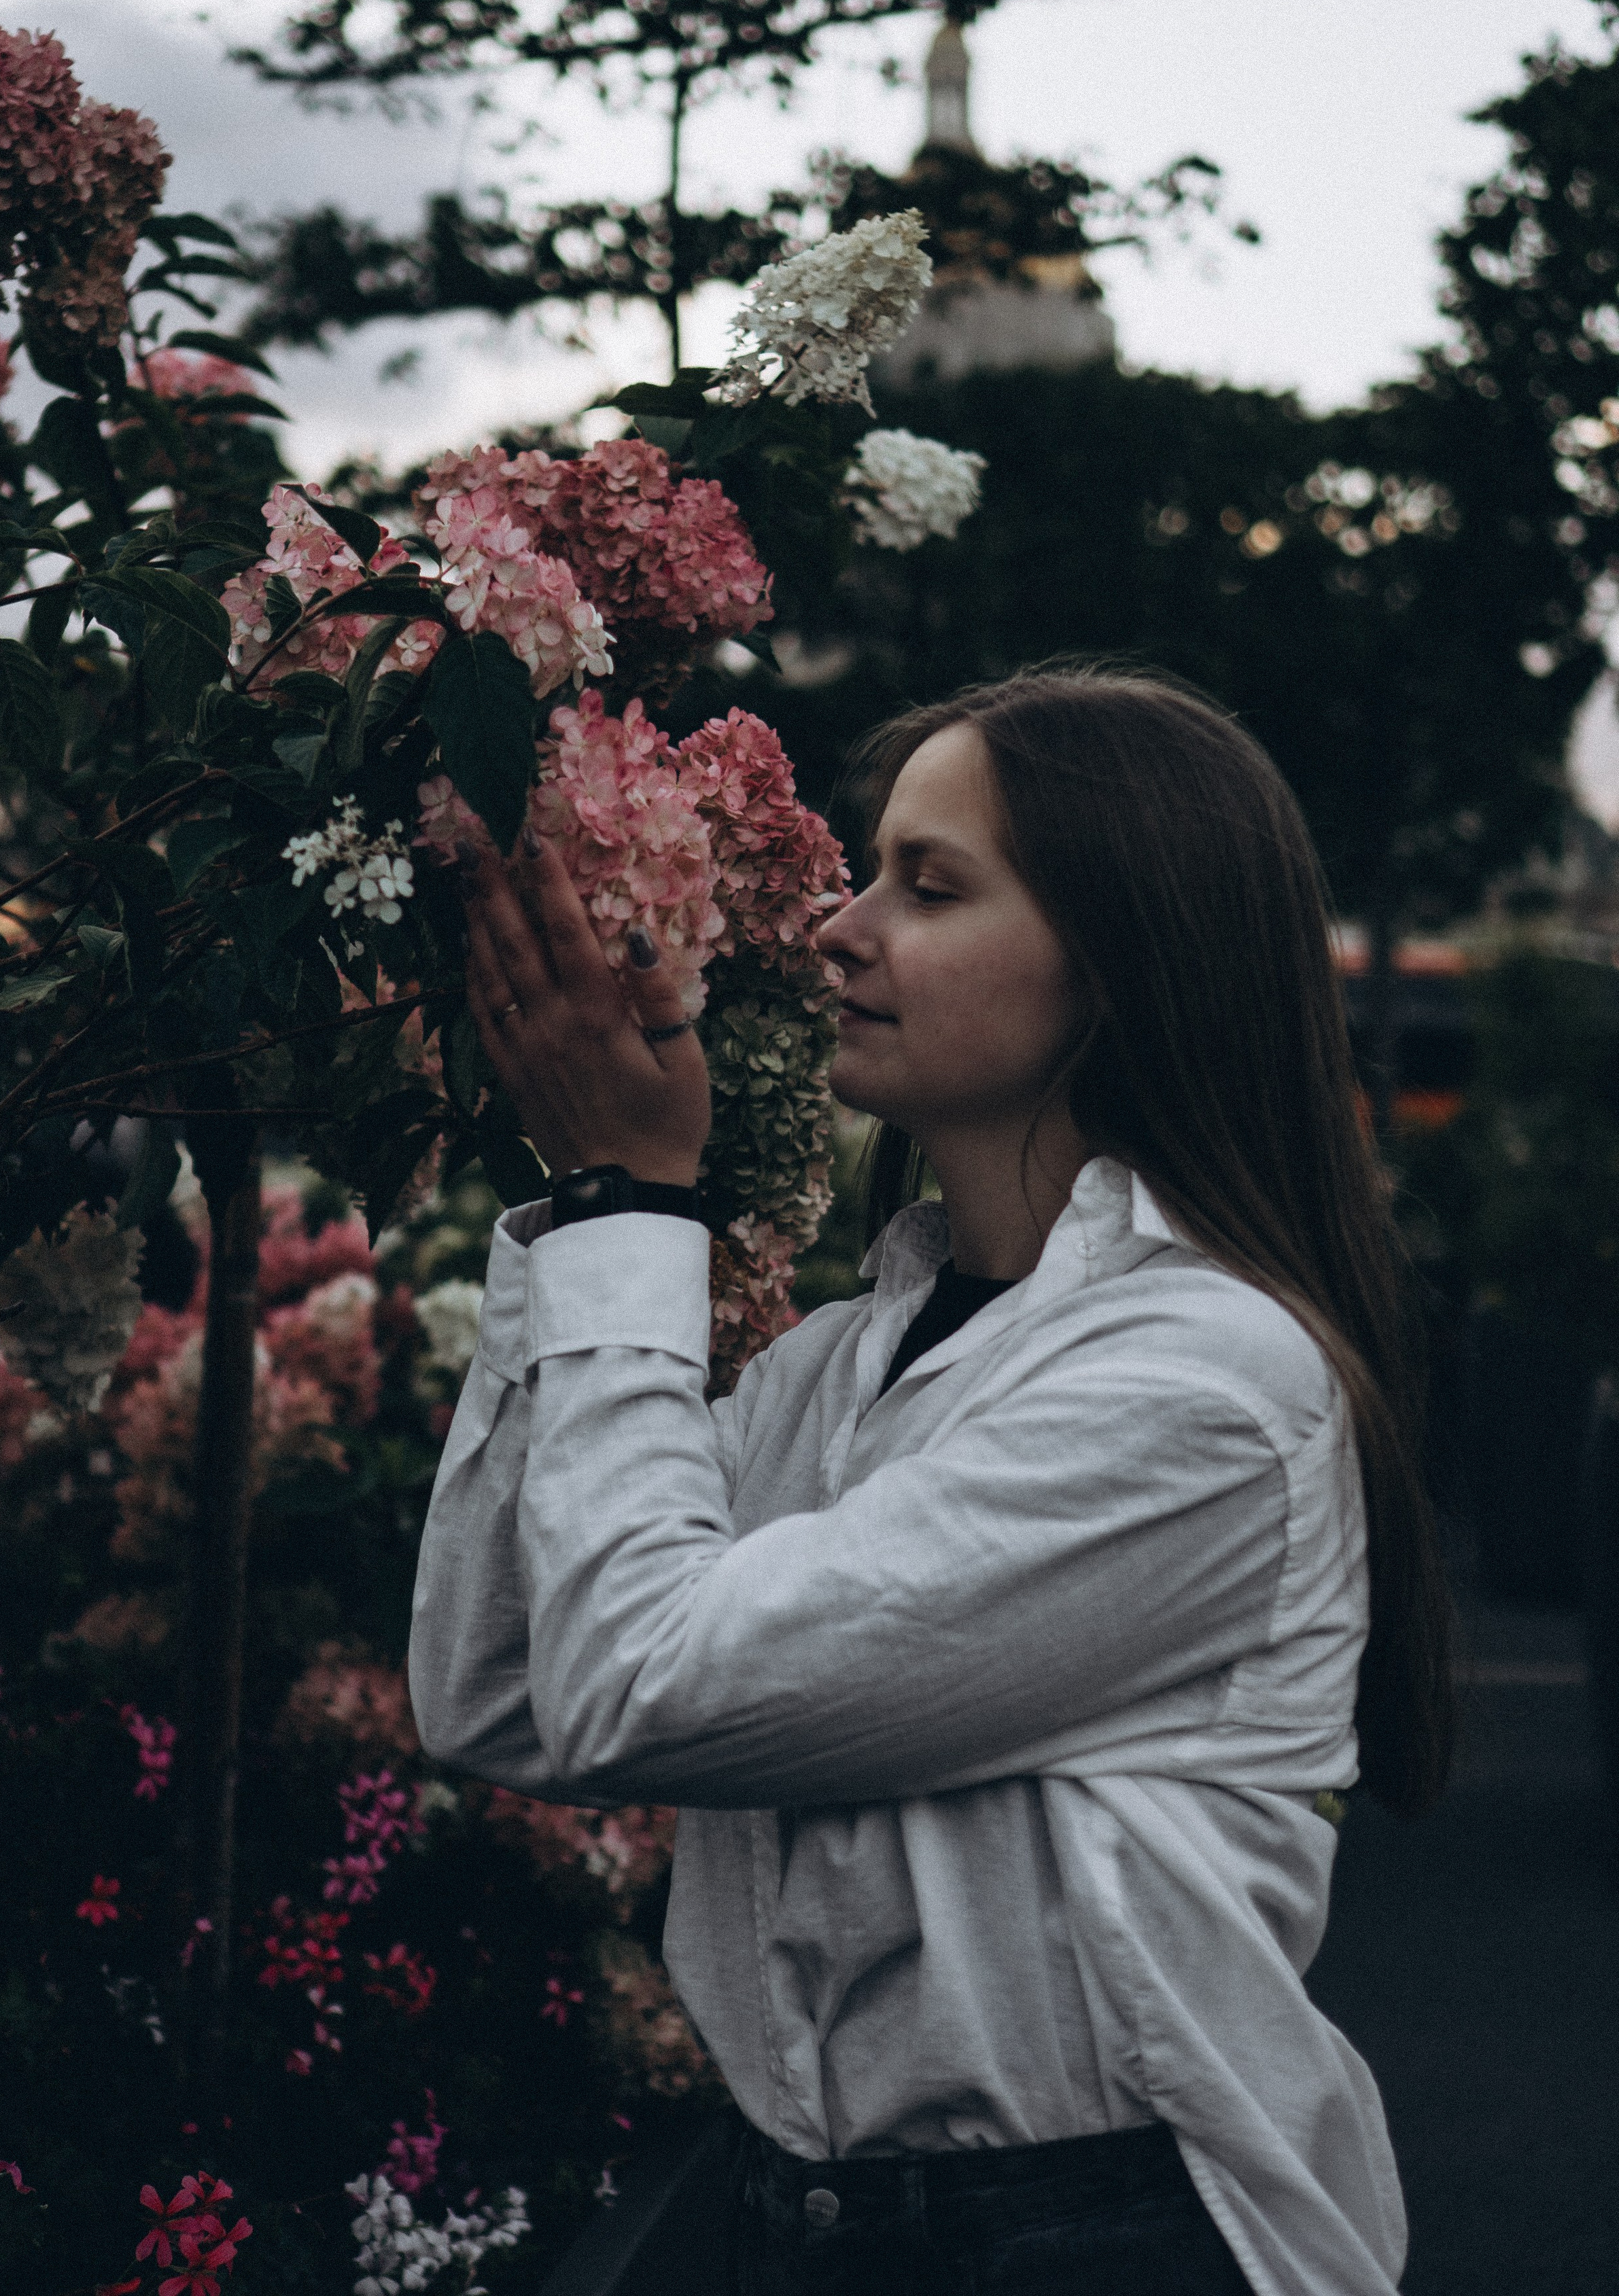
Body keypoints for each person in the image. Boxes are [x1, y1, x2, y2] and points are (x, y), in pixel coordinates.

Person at [408, 665, 1453, 2296]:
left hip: (1099, 2238)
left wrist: (628, 1201)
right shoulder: (844, 1362)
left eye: (929, 885)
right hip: (810, 2224)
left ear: (1118, 961)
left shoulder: (1201, 1388)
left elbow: (638, 1687)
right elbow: (498, 1685)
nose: (839, 928)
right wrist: (583, 1215)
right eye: (866, 872)